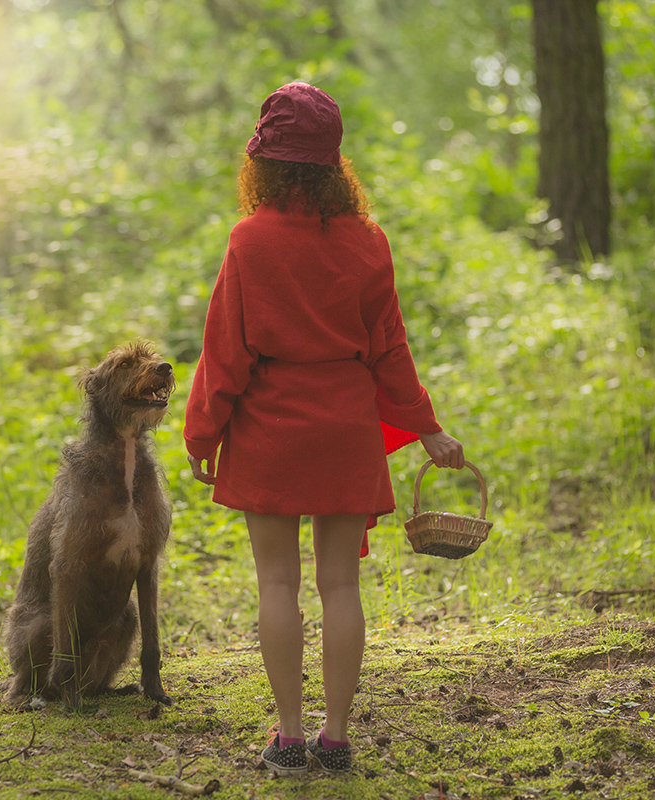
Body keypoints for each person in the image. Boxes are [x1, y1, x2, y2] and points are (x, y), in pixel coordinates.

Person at [184, 82, 465, 777]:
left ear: (267, 164)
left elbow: (226, 349)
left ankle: (287, 736)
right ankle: (335, 738)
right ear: (334, 164)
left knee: (276, 584)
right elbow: (390, 346)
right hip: (344, 421)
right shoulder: (368, 241)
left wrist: (203, 432)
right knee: (341, 586)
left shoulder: (248, 240)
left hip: (270, 425)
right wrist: (427, 428)